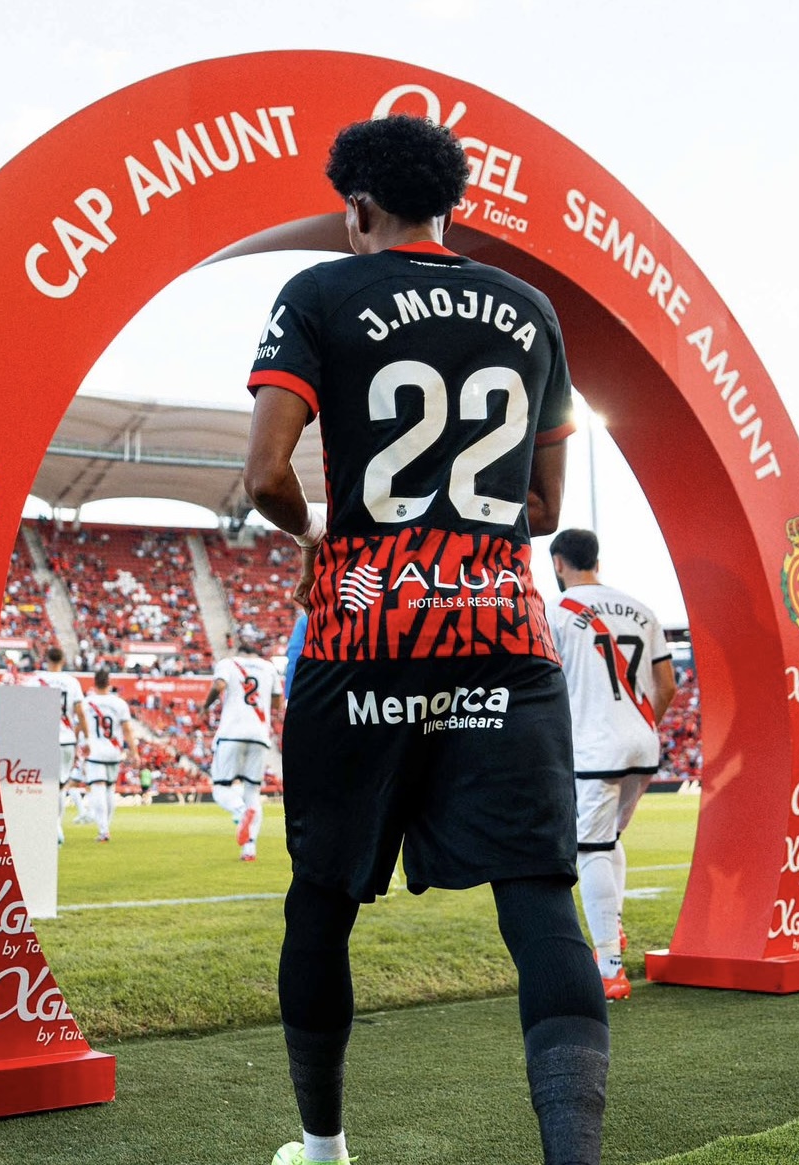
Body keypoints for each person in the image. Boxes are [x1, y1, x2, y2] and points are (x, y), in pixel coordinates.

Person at [242, 114, 608, 1165]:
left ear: (356, 206)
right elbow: (542, 505)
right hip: (501, 629)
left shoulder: (316, 293)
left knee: (320, 898)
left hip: (366, 631)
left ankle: (323, 1147)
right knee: (542, 904)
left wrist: (321, 540)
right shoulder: (532, 310)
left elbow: (267, 476)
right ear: (451, 204)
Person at [546, 528, 678, 1001]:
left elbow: (545, 682)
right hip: (642, 743)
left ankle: (610, 968)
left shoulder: (554, 611)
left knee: (589, 849)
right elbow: (667, 686)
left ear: (559, 563)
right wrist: (639, 727)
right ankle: (614, 933)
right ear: (595, 559)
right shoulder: (642, 609)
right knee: (609, 840)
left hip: (594, 746)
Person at [203, 637, 284, 861]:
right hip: (259, 735)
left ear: (238, 651)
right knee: (252, 792)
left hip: (231, 733)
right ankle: (249, 849)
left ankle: (240, 813)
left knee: (221, 789)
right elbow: (278, 703)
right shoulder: (269, 668)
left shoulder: (229, 663)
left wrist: (204, 707)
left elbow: (219, 685)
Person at [33, 645, 88, 844]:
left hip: (42, 738)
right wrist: (87, 739)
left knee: (43, 785)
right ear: (63, 661)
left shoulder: (35, 681)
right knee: (60, 786)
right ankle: (56, 827)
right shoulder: (71, 682)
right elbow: (80, 713)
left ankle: (50, 827)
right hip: (65, 739)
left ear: (46, 660)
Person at [80, 668, 136, 842]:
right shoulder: (119, 703)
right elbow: (127, 729)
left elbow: (79, 726)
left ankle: (103, 830)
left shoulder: (86, 703)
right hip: (114, 751)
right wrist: (134, 751)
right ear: (109, 683)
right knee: (110, 789)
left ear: (94, 683)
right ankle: (107, 826)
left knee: (98, 787)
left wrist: (78, 746)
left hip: (95, 751)